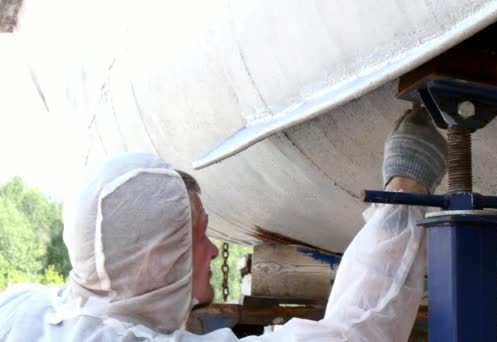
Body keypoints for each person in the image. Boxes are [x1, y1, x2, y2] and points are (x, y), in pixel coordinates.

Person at [0, 105, 447, 341]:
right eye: (197, 237)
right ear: (157, 262)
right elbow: (353, 336)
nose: (213, 250)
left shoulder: (20, 308)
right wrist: (405, 190)